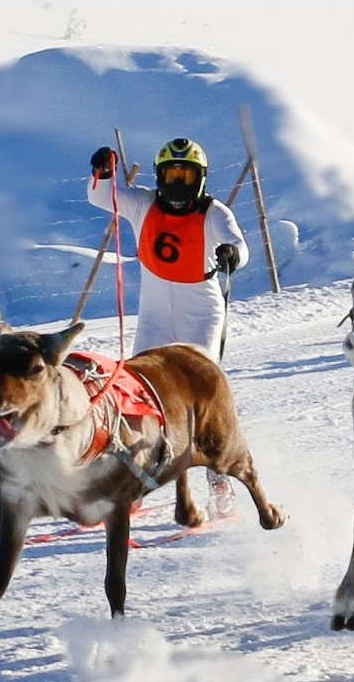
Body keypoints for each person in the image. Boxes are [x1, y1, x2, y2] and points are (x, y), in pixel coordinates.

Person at [87, 137, 249, 518]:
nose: (178, 184)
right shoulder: (144, 204)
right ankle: (134, 482)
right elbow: (102, 197)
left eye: (186, 175)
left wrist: (231, 255)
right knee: (138, 393)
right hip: (155, 316)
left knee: (200, 397)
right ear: (160, 176)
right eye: (171, 175)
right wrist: (103, 172)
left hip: (201, 313)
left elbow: (239, 244)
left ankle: (218, 478)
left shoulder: (213, 212)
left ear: (201, 179)